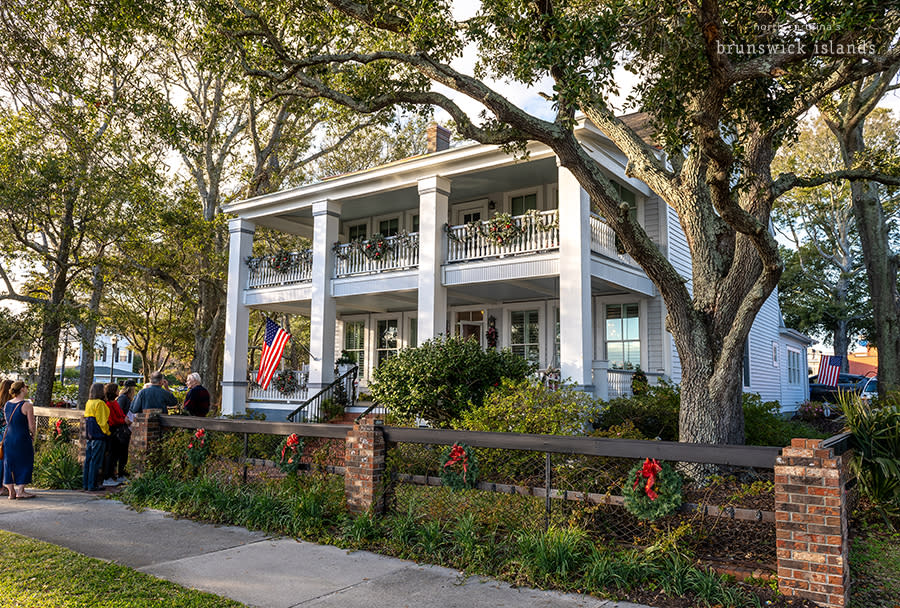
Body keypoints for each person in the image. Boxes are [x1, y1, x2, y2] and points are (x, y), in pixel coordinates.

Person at [3, 381, 35, 499]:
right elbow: (31, 426)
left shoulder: (7, 404)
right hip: (22, 437)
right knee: (25, 461)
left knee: (9, 463)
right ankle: (21, 490)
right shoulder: (27, 405)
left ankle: (11, 491)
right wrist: (34, 434)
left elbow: (8, 422)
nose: (27, 389)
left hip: (9, 438)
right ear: (22, 389)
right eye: (26, 387)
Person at [83, 383, 110, 492]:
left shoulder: (89, 402)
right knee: (96, 461)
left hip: (90, 435)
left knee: (88, 460)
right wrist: (107, 432)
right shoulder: (100, 404)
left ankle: (86, 484)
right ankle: (92, 485)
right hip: (99, 435)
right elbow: (102, 421)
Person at [102, 383, 129, 487]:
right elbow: (112, 420)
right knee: (111, 455)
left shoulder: (115, 403)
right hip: (113, 432)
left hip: (119, 430)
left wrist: (125, 418)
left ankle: (117, 474)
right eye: (117, 389)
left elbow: (120, 414)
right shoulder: (108, 404)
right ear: (113, 391)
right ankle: (107, 477)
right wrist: (124, 420)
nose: (119, 391)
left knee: (119, 454)